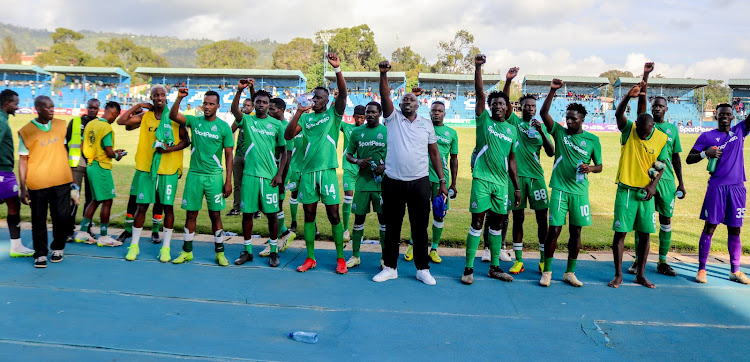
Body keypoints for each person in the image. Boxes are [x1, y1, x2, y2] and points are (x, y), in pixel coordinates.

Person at [371, 59, 447, 286]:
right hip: (393, 181)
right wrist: (384, 74)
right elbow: (385, 97)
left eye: (411, 99)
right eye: (404, 99)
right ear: (399, 104)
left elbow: (434, 153)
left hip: (420, 183)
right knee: (392, 226)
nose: (407, 101)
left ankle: (423, 269)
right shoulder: (392, 119)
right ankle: (390, 267)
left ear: (418, 104)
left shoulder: (426, 124)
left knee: (420, 228)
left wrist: (442, 180)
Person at [284, 53, 349, 274]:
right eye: (313, 97)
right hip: (308, 174)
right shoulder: (305, 117)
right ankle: (310, 258)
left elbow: (344, 94)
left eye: (319, 97)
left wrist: (337, 69)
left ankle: (341, 259)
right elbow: (288, 135)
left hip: (328, 173)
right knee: (309, 215)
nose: (315, 100)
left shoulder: (334, 114)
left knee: (333, 216)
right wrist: (298, 112)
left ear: (327, 100)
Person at [461, 54, 520, 285]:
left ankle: (494, 267)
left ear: (507, 108)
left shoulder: (511, 131)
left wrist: (516, 188)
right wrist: (478, 68)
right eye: (494, 104)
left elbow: (512, 161)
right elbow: (480, 93)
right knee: (477, 223)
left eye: (501, 104)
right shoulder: (483, 120)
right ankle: (468, 268)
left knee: (496, 225)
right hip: (482, 179)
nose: (497, 106)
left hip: (501, 183)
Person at [539, 79, 603, 287]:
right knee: (554, 231)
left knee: (576, 232)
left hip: (580, 192)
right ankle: (547, 271)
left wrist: (590, 168)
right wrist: (552, 92)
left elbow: (599, 166)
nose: (569, 122)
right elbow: (544, 114)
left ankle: (570, 272)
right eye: (567, 118)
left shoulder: (593, 140)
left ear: (582, 119)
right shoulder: (559, 133)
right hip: (559, 189)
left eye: (573, 119)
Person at [116, 85, 190, 262]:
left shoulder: (173, 116)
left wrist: (169, 149)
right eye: (155, 95)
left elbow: (186, 141)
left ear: (166, 97)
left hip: (168, 168)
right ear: (151, 97)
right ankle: (134, 246)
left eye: (162, 95)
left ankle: (165, 248)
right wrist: (139, 105)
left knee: (167, 208)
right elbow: (121, 121)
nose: (159, 98)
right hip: (146, 168)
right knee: (142, 207)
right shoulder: (146, 116)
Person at [609, 81, 669, 289]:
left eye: (646, 132)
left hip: (646, 193)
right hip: (626, 189)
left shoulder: (661, 137)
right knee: (620, 234)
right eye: (640, 131)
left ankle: (640, 275)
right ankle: (618, 275)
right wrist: (627, 97)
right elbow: (619, 115)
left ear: (653, 127)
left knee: (645, 234)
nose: (642, 135)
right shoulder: (630, 129)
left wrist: (653, 186)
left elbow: (661, 164)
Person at [629, 62, 686, 276]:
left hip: (667, 181)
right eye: (655, 105)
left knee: (666, 220)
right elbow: (641, 105)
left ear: (667, 108)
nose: (657, 108)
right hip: (646, 179)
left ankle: (662, 261)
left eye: (661, 105)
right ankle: (637, 260)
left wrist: (681, 182)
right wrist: (645, 75)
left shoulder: (672, 130)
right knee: (643, 221)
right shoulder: (646, 124)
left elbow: (676, 157)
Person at [686, 103, 750, 285]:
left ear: (732, 116)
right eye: (721, 114)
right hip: (716, 188)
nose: (724, 117)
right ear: (716, 116)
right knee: (710, 227)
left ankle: (735, 270)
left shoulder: (740, 130)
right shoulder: (707, 136)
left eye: (728, 114)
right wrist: (705, 154)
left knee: (735, 229)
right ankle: (702, 268)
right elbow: (689, 158)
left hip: (737, 188)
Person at [168, 89, 234, 266]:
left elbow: (229, 156)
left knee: (215, 215)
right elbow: (173, 115)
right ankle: (186, 251)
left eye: (211, 104)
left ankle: (220, 253)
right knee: (191, 214)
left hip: (214, 177)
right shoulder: (194, 121)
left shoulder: (224, 127)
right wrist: (179, 98)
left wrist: (228, 181)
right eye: (205, 103)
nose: (207, 106)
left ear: (218, 106)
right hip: (195, 176)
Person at [229, 82, 287, 267]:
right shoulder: (247, 120)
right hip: (250, 176)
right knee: (247, 214)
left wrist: (279, 174)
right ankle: (247, 251)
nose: (261, 105)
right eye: (258, 102)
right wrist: (239, 90)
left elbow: (284, 151)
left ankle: (273, 251)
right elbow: (233, 109)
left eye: (264, 102)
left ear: (268, 105)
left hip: (269, 177)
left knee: (272, 215)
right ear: (254, 104)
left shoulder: (277, 125)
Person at [18, 96, 75, 268]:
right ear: (38, 109)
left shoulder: (60, 125)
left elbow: (64, 150)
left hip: (62, 180)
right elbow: (22, 161)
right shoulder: (26, 131)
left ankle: (58, 247)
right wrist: (22, 187)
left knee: (62, 217)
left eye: (53, 107)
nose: (52, 110)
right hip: (37, 182)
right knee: (38, 219)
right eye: (48, 107)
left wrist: (72, 179)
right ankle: (40, 253)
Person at [505, 86, 555, 274]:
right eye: (527, 106)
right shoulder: (514, 123)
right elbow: (505, 100)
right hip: (517, 179)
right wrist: (508, 81)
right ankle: (519, 260)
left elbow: (551, 152)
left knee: (543, 220)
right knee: (518, 218)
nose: (531, 109)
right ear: (521, 108)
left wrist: (542, 132)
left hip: (537, 179)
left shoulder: (540, 127)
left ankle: (543, 260)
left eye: (533, 106)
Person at [403, 95, 458, 264]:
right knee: (419, 213)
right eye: (433, 110)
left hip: (441, 180)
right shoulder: (423, 127)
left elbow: (454, 159)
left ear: (444, 114)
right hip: (422, 177)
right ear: (429, 112)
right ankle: (413, 244)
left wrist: (453, 184)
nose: (436, 113)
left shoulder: (452, 133)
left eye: (440, 111)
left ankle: (433, 248)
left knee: (439, 214)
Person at [73, 101, 127, 246]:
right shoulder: (106, 128)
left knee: (96, 199)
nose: (115, 119)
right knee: (107, 200)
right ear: (113, 112)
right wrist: (117, 155)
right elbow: (109, 152)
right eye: (116, 115)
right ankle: (103, 236)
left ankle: (83, 232)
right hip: (102, 167)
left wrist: (105, 153)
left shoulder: (91, 124)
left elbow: (85, 145)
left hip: (91, 165)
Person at [344, 101, 387, 268]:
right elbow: (348, 154)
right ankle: (355, 256)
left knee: (383, 221)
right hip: (362, 183)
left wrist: (385, 166)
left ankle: (384, 258)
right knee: (358, 219)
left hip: (382, 185)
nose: (370, 115)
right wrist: (357, 160)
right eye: (368, 112)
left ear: (380, 113)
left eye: (373, 112)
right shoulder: (356, 132)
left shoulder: (386, 132)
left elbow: (395, 155)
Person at [257, 97, 297, 258]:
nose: (268, 111)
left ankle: (275, 240)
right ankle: (285, 233)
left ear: (281, 110)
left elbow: (287, 155)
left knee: (273, 207)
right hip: (269, 171)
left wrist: (282, 178)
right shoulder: (272, 124)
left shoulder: (285, 127)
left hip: (279, 174)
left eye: (272, 109)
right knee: (265, 205)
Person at [0, 89, 34, 257]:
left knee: (13, 205)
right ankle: (16, 246)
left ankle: (16, 246)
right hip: (3, 173)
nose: (18, 107)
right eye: (16, 103)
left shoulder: (2, 120)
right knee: (14, 206)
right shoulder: (1, 121)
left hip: (4, 172)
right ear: (7, 104)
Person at [66, 99, 99, 224]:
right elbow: (65, 142)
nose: (92, 110)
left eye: (95, 108)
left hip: (93, 165)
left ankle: (86, 228)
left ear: (98, 109)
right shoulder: (75, 122)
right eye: (90, 107)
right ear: (87, 107)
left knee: (91, 199)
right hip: (76, 165)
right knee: (74, 196)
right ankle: (69, 229)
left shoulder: (99, 124)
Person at [340, 105, 367, 243]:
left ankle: (359, 230)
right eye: (358, 117)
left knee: (361, 202)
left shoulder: (368, 131)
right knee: (348, 197)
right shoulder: (346, 127)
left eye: (363, 118)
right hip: (349, 169)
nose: (360, 120)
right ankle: (345, 229)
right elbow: (334, 119)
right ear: (354, 117)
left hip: (363, 172)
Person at [228, 85, 255, 217]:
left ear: (253, 107)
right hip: (239, 155)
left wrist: (252, 88)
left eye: (249, 105)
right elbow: (229, 132)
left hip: (252, 156)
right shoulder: (240, 119)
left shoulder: (256, 119)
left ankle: (254, 210)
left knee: (251, 184)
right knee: (237, 183)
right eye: (244, 105)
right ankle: (236, 208)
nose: (246, 107)